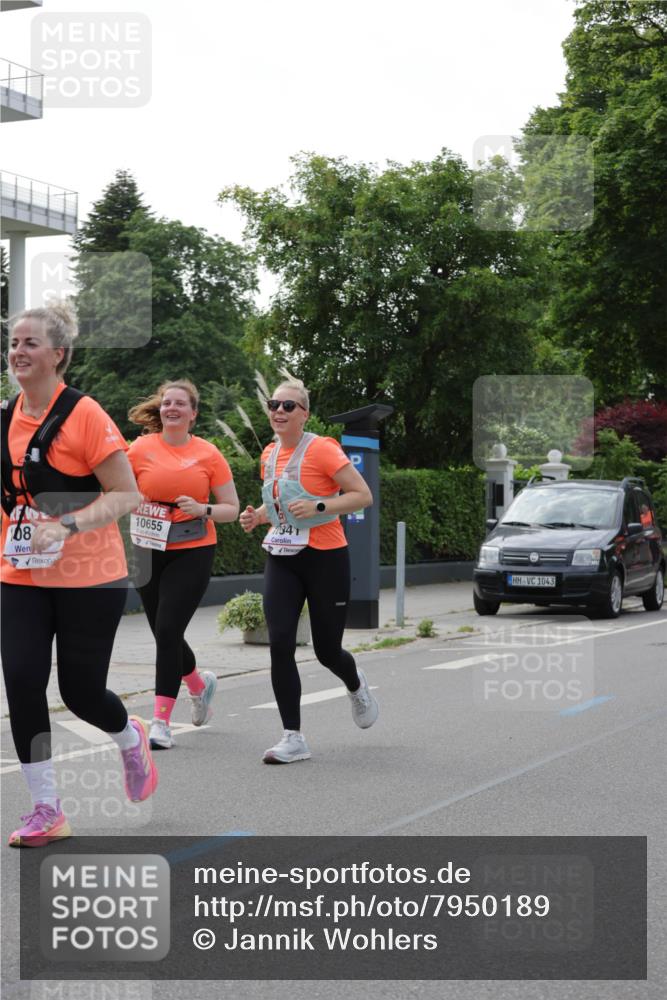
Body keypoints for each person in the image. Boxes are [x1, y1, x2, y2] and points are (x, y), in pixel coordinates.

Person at [1, 304, 158, 847]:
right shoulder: (4, 416)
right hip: (20, 575)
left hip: (90, 577)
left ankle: (129, 737)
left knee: (81, 693)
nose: (17, 352)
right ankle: (47, 810)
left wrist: (66, 525)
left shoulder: (84, 414)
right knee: (22, 684)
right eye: (13, 342)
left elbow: (127, 493)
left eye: (30, 343)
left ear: (58, 354)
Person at [239, 377, 378, 764]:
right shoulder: (269, 454)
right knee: (280, 643)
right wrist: (258, 516)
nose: (279, 411)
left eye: (288, 406)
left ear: (305, 414)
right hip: (283, 556)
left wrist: (320, 506)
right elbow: (280, 504)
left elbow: (362, 495)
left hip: (326, 558)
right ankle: (293, 737)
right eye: (274, 405)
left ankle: (356, 684)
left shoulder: (323, 449)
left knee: (327, 651)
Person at [127, 380, 239, 749]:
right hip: (146, 548)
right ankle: (198, 685)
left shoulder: (208, 453)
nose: (171, 408)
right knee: (165, 633)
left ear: (193, 413)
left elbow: (231, 508)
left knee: (168, 629)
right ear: (160, 410)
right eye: (167, 403)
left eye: (180, 404)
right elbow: (116, 489)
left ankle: (161, 722)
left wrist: (203, 508)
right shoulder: (139, 448)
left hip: (192, 548)